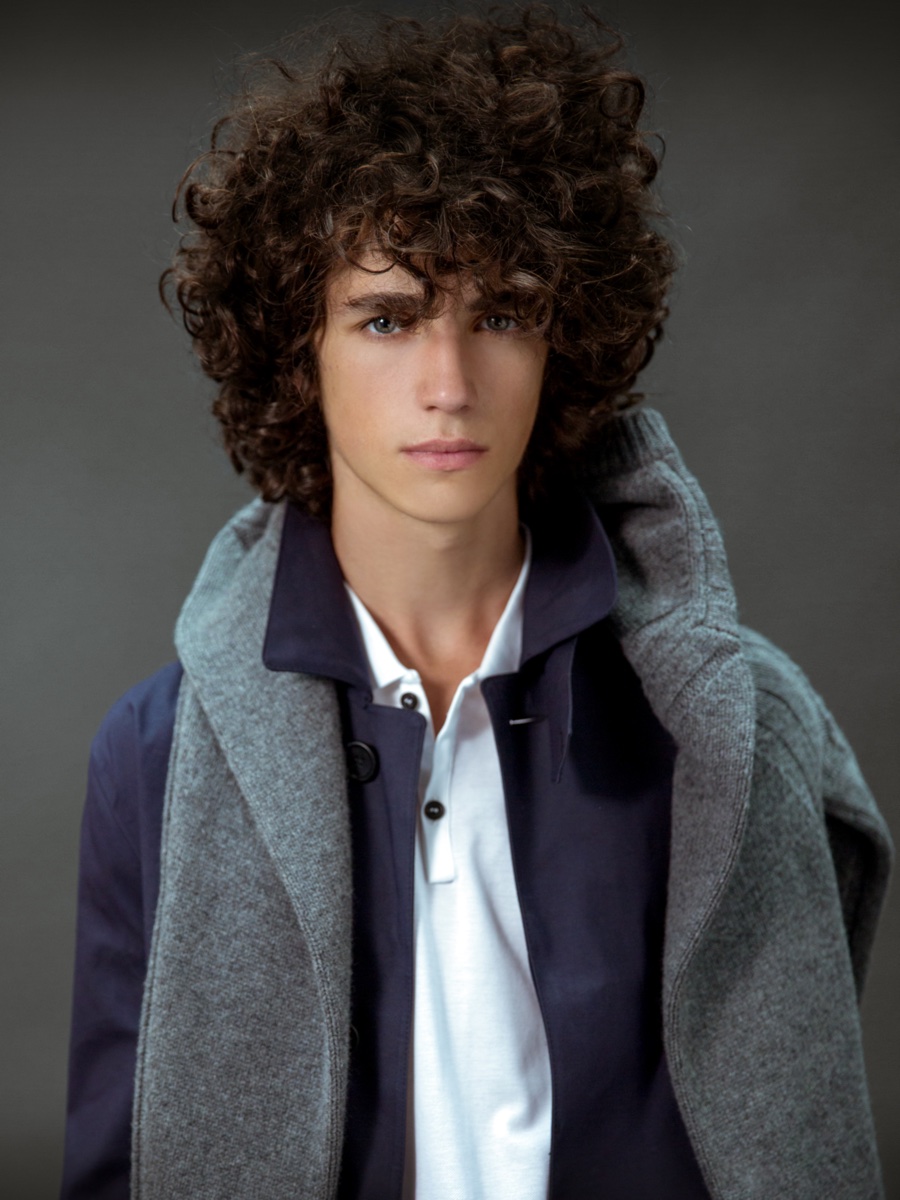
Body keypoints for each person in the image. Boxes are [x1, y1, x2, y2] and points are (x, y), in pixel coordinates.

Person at [61, 6, 892, 1198]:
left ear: (564, 344)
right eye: (388, 319)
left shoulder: (724, 722)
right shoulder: (153, 755)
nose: (448, 382)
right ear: (300, 353)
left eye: (501, 315)